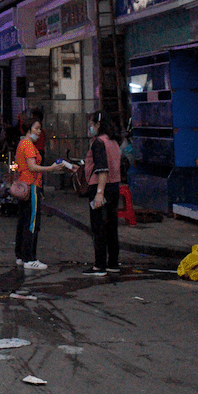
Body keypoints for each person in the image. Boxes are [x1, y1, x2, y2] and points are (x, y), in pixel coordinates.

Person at [14, 110, 70, 270]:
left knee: (23, 221)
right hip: (32, 186)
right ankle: (29, 258)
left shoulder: (22, 144)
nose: (39, 132)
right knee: (32, 223)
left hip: (24, 185)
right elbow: (32, 166)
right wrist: (51, 168)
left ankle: (20, 255)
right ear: (29, 129)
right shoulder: (28, 145)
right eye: (37, 128)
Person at [81, 110, 123, 277]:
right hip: (114, 187)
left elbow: (102, 169)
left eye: (92, 124)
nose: (90, 128)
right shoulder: (113, 142)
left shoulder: (99, 142)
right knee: (112, 226)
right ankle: (113, 263)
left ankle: (99, 265)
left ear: (98, 125)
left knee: (98, 226)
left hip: (101, 188)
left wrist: (99, 193)